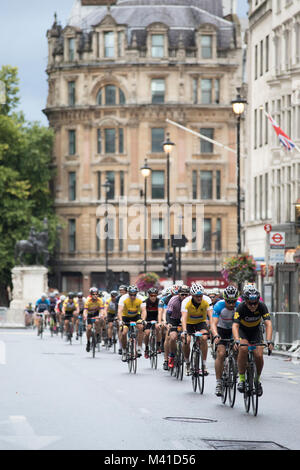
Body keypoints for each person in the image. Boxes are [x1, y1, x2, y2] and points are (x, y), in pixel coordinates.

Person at [232, 286, 274, 397]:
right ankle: (241, 379)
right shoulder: (240, 307)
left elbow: (268, 324)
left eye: (255, 303)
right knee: (243, 348)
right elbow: (235, 325)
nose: (253, 306)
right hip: (243, 331)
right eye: (250, 303)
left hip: (256, 331)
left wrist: (269, 341)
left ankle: (257, 380)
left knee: (259, 355)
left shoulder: (262, 306)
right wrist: (236, 340)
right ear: (245, 301)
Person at [211, 285, 240, 397]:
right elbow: (213, 323)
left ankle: (236, 369)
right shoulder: (219, 305)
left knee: (239, 350)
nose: (231, 304)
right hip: (221, 330)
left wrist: (239, 339)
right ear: (225, 299)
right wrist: (215, 335)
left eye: (234, 301)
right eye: (229, 301)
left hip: (234, 331)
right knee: (221, 353)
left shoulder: (240, 306)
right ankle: (218, 382)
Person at [181, 283, 212, 376]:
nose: (199, 298)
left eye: (201, 296)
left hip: (200, 323)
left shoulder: (207, 300)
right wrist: (185, 331)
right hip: (188, 323)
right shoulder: (186, 302)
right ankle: (187, 363)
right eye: (197, 296)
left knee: (204, 338)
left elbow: (211, 316)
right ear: (192, 295)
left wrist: (211, 328)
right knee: (186, 340)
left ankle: (204, 364)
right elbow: (184, 318)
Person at [118, 285, 145, 361]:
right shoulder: (123, 298)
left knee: (141, 327)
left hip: (136, 316)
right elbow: (119, 310)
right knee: (123, 333)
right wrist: (120, 320)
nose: (133, 296)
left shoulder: (141, 298)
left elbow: (143, 310)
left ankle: (139, 347)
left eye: (134, 294)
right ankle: (123, 351)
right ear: (128, 293)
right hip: (125, 317)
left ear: (137, 293)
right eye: (131, 294)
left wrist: (142, 319)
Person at [166, 285, 190, 369]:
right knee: (173, 337)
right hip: (174, 319)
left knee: (186, 339)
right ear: (178, 294)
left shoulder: (190, 300)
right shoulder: (173, 300)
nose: (184, 296)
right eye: (182, 294)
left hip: (186, 319)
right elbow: (168, 313)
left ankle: (185, 355)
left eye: (186, 295)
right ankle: (172, 356)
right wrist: (168, 323)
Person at [142, 287, 161, 359]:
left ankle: (158, 345)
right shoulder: (145, 302)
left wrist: (159, 322)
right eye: (151, 296)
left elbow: (160, 312)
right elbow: (144, 311)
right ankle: (146, 349)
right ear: (149, 295)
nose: (153, 297)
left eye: (155, 295)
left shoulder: (160, 301)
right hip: (148, 318)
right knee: (147, 333)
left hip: (156, 318)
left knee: (158, 328)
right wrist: (143, 320)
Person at [83, 287, 104, 352]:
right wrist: (85, 316)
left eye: (96, 294)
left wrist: (101, 315)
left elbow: (102, 310)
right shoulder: (88, 301)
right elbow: (85, 310)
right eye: (93, 294)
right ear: (91, 295)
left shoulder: (100, 300)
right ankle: (88, 342)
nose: (95, 296)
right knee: (89, 328)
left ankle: (98, 335)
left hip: (96, 314)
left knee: (97, 321)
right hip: (89, 314)